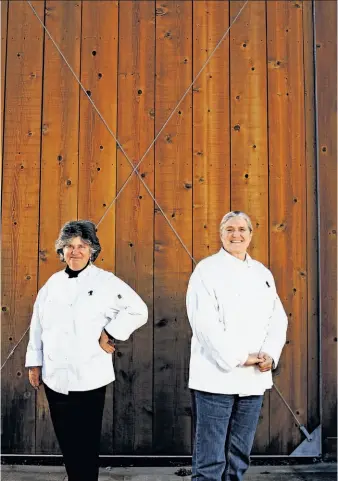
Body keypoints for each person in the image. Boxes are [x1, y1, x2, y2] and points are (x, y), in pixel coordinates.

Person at [26, 220, 148, 481]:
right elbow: (37, 324)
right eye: (69, 246)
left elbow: (139, 310)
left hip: (89, 375)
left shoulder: (106, 281)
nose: (75, 251)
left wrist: (111, 333)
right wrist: (34, 363)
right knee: (67, 441)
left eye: (82, 245)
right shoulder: (52, 284)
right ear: (61, 251)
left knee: (86, 442)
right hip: (55, 374)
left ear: (92, 250)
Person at [186, 210, 288, 481]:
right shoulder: (206, 271)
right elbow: (204, 324)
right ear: (220, 235)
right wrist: (240, 356)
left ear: (251, 235)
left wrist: (270, 354)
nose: (236, 235)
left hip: (254, 377)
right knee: (211, 455)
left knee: (239, 453)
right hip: (216, 376)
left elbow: (278, 318)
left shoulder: (262, 273)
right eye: (229, 229)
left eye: (242, 229)